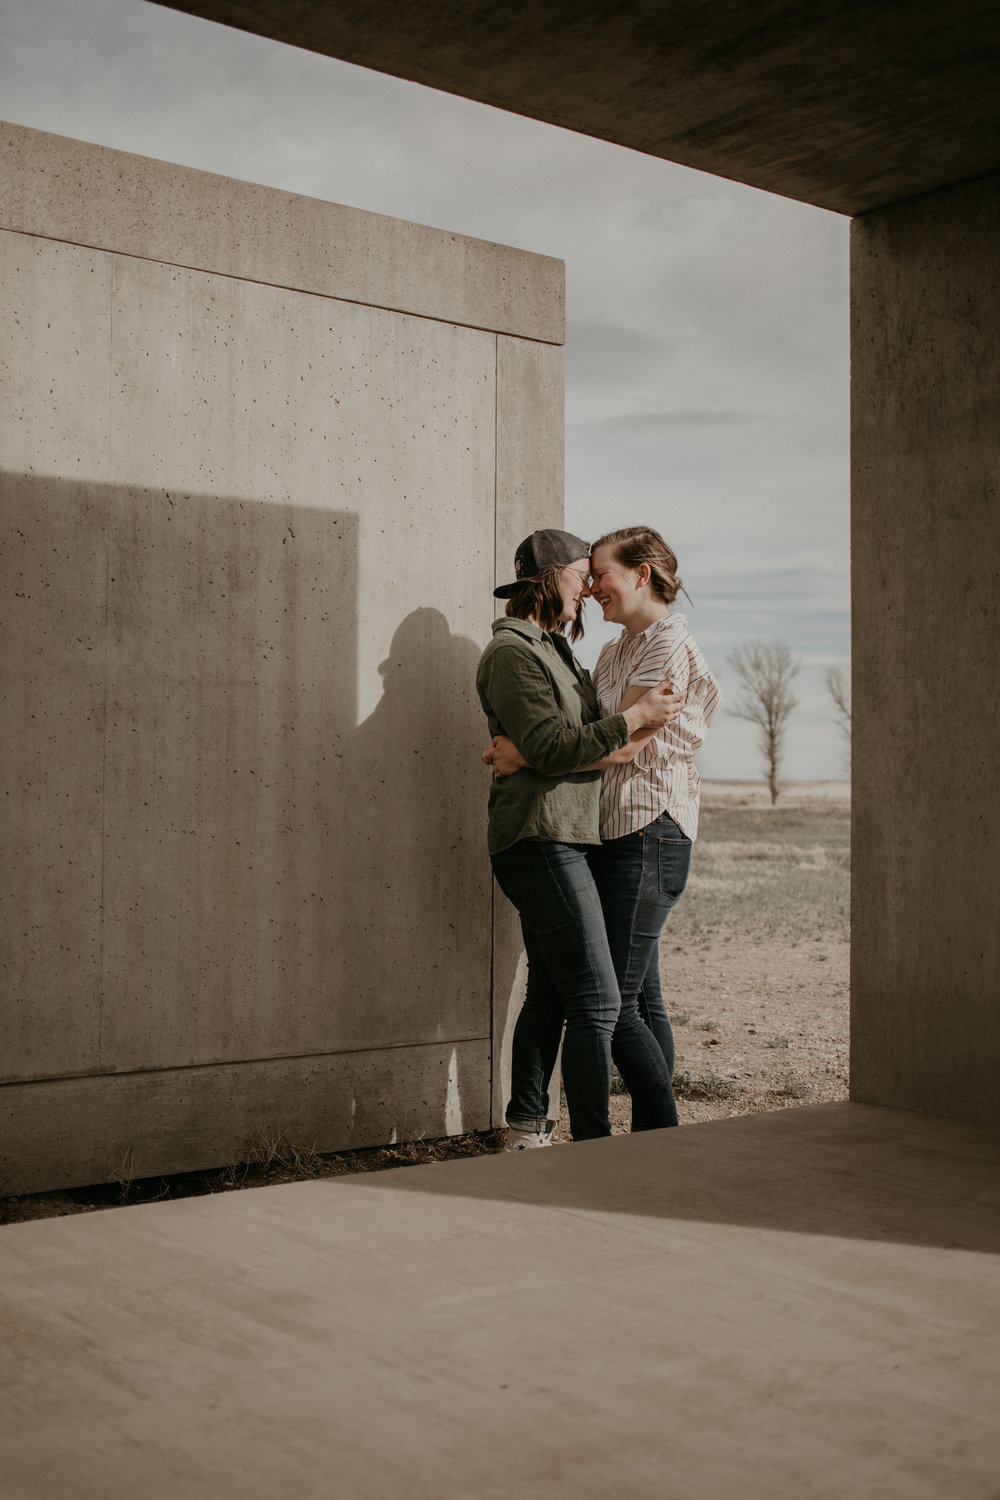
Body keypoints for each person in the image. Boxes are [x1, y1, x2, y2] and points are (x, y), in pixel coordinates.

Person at [487, 525, 719, 1130]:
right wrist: (539, 750)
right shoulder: (602, 652)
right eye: (582, 575)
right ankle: (626, 1134)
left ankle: (645, 1135)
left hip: (646, 827)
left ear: (641, 575)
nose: (590, 589)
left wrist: (526, 754)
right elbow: (576, 736)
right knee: (625, 998)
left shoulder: (659, 646)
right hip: (592, 834)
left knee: (610, 1003)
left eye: (600, 574)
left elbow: (625, 745)